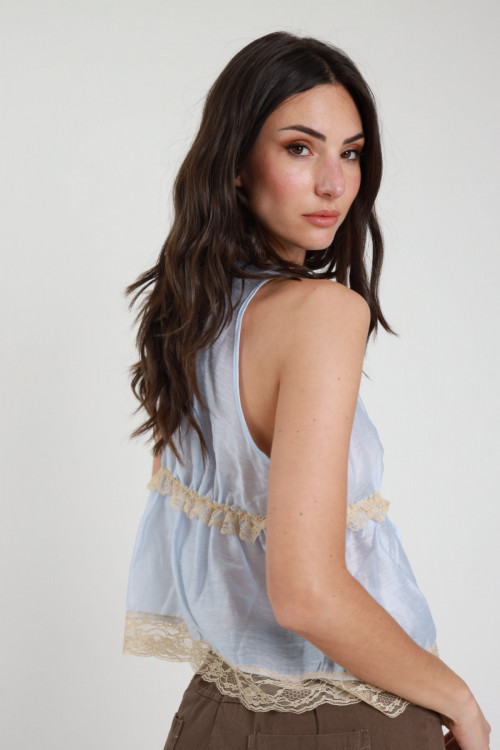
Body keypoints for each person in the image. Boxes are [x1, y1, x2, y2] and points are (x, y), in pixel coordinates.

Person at [123, 31, 490, 750]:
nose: (334, 184)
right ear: (235, 163)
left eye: (350, 153)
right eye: (300, 148)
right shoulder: (323, 313)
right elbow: (305, 592)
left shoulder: (190, 315)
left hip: (211, 716)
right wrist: (460, 700)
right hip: (348, 720)